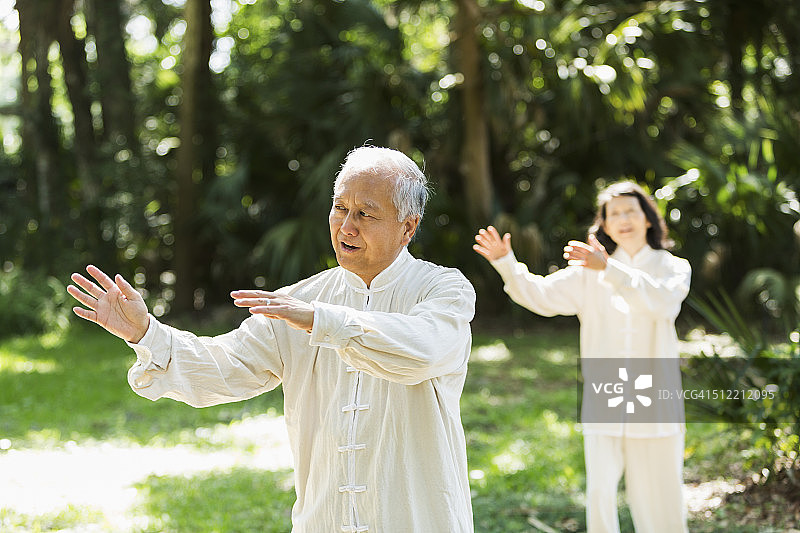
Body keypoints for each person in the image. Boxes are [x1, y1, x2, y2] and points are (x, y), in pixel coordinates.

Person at [68, 146, 476, 533]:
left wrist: (321, 320)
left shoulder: (443, 290)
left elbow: (422, 350)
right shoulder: (299, 301)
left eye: (366, 214)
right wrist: (145, 334)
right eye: (340, 208)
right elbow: (225, 365)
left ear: (408, 227)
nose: (346, 226)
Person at [473, 181, 691, 533]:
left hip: (656, 394)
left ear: (648, 219)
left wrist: (609, 270)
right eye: (613, 213)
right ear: (603, 225)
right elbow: (540, 294)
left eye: (630, 211)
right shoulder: (589, 273)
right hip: (606, 390)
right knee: (601, 491)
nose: (623, 219)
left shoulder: (673, 267)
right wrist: (506, 263)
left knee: (661, 494)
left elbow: (663, 304)